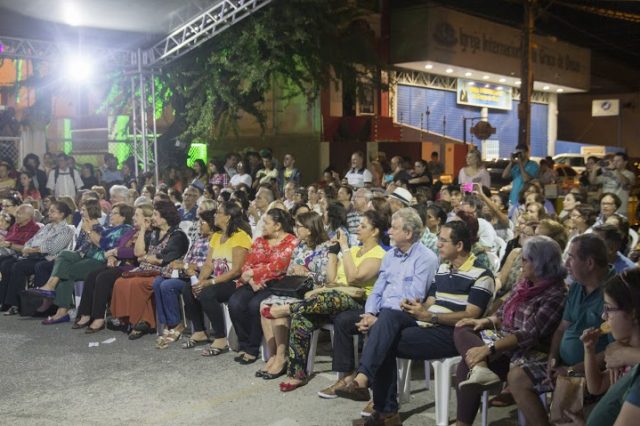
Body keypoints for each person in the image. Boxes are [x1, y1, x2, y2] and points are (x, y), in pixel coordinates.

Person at [337, 220, 491, 423]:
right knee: (387, 318)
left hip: (453, 333)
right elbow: (431, 302)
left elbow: (472, 315)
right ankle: (370, 390)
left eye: (443, 241)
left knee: (383, 338)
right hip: (428, 324)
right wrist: (419, 307)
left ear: (459, 246)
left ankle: (382, 407)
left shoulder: (481, 275)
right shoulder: (444, 268)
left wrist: (431, 316)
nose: (438, 245)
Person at [453, 236, 567, 426]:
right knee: (464, 326)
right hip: (504, 343)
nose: (520, 263)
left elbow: (529, 334)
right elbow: (501, 314)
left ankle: (462, 421)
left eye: (525, 259)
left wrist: (488, 349)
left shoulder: (556, 294)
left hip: (528, 353)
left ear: (540, 263)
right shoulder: (525, 285)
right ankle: (480, 368)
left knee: (467, 364)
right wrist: (483, 321)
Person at [271, 210, 388, 392]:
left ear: (375, 231)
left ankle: (289, 308)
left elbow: (354, 277)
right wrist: (334, 252)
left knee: (329, 297)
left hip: (359, 301)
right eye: (358, 224)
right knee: (302, 318)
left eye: (363, 226)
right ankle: (296, 374)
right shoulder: (355, 250)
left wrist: (345, 248)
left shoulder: (379, 255)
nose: (357, 228)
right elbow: (331, 279)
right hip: (333, 299)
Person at [509, 234, 612, 425]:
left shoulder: (614, 292)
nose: (566, 263)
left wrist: (573, 369)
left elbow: (613, 351)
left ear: (589, 263)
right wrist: (552, 359)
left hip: (593, 370)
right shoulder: (576, 287)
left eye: (571, 257)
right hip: (564, 365)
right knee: (518, 377)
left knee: (564, 399)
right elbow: (561, 328)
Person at [30, 200, 134, 325]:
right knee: (64, 257)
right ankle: (59, 305)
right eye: (111, 212)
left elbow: (105, 245)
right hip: (92, 257)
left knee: (65, 271)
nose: (111, 215)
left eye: (115, 213)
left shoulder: (124, 229)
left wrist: (90, 231)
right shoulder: (110, 229)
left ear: (123, 217)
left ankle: (61, 308)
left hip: (100, 260)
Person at [258, 212, 331, 379]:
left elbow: (327, 277)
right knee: (264, 306)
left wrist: (307, 273)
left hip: (313, 290)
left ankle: (282, 357)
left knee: (278, 311)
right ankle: (274, 354)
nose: (295, 230)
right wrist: (294, 270)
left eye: (299, 226)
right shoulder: (300, 245)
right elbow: (289, 268)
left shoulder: (326, 248)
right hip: (295, 288)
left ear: (310, 229)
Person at [227, 208, 298, 364]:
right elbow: (247, 263)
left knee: (254, 306)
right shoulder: (259, 240)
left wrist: (253, 273)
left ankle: (252, 349)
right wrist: (251, 280)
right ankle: (244, 345)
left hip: (276, 283)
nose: (262, 226)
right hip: (253, 283)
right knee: (235, 303)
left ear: (277, 226)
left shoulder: (291, 241)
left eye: (266, 223)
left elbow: (279, 266)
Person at [110, 201, 189, 339]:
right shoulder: (154, 233)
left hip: (163, 271)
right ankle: (128, 319)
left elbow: (161, 259)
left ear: (165, 217)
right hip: (146, 269)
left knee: (137, 284)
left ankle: (141, 322)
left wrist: (145, 258)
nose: (152, 218)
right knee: (120, 281)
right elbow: (138, 253)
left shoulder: (177, 236)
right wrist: (142, 230)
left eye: (155, 215)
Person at [182, 201, 252, 352]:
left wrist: (210, 283)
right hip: (218, 279)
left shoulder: (240, 236)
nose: (215, 215)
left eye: (218, 212)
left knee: (208, 293)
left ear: (227, 217)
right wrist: (200, 282)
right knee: (189, 289)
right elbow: (208, 265)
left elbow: (236, 270)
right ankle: (200, 331)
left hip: (234, 282)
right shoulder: (217, 236)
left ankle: (220, 338)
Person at [75, 204, 154, 333]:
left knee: (103, 278)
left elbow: (135, 252)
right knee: (92, 275)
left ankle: (99, 318)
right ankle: (85, 313)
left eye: (137, 215)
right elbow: (120, 246)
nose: (133, 217)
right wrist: (113, 255)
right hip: (120, 264)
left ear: (146, 219)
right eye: (134, 215)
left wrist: (116, 253)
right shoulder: (132, 231)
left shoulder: (149, 233)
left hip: (132, 267)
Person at [578, 268, 640, 426]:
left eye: (609, 309)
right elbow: (596, 386)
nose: (604, 316)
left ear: (632, 313)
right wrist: (589, 350)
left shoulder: (624, 354)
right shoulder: (620, 353)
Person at [152, 209, 216, 348]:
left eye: (203, 222)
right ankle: (167, 323)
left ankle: (176, 324)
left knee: (167, 286)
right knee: (158, 282)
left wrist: (185, 265)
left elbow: (209, 264)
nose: (199, 225)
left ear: (211, 224)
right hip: (186, 273)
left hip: (199, 276)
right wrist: (182, 265)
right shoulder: (200, 239)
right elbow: (188, 258)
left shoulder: (213, 241)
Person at [0, 202, 74, 315]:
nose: (48, 213)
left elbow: (54, 248)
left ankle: (40, 304)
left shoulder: (67, 229)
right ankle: (15, 304)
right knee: (18, 266)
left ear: (62, 214)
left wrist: (34, 249)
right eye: (49, 210)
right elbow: (32, 241)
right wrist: (29, 248)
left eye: (52, 211)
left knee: (40, 266)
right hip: (37, 256)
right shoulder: (47, 227)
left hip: (52, 259)